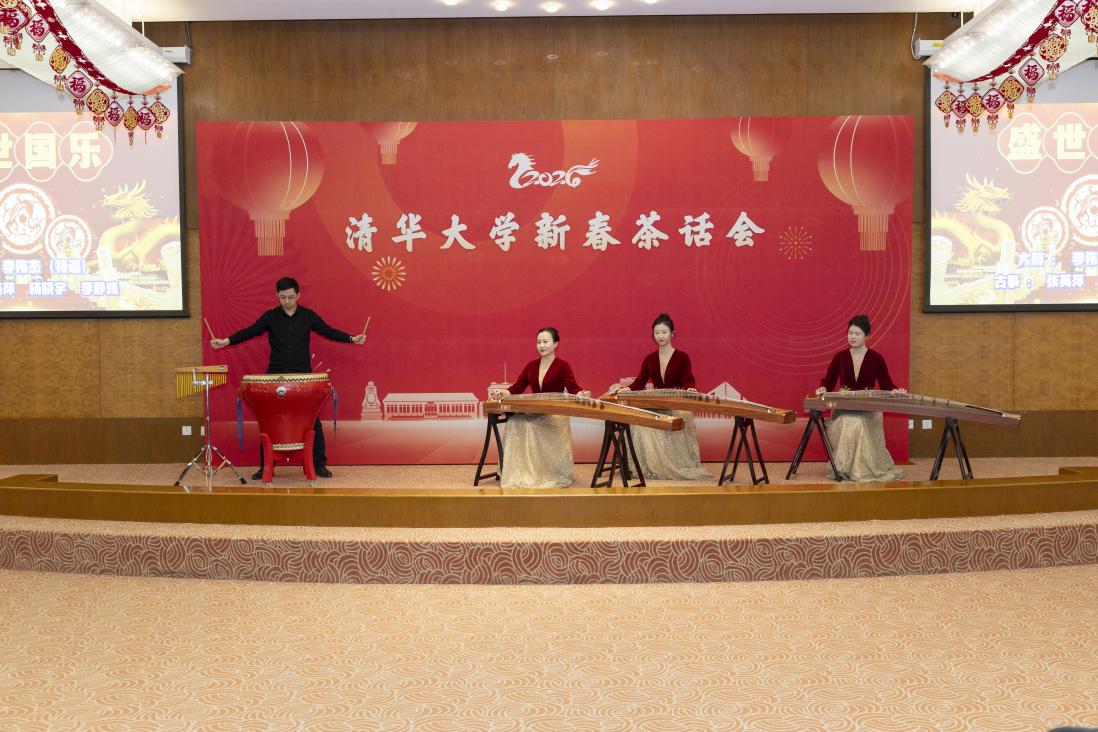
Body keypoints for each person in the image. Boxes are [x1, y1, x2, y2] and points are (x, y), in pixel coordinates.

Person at [210, 277, 366, 479]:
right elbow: (250, 331)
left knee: (312, 421)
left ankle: (319, 464)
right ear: (277, 295)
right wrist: (226, 341)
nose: (287, 301)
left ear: (298, 295)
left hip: (302, 376)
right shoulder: (270, 317)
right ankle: (265, 466)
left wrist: (351, 339)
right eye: (283, 297)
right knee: (268, 421)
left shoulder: (308, 316)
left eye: (291, 297)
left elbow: (328, 331)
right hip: (276, 375)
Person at [614, 313, 710, 481]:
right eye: (657, 332)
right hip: (658, 402)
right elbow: (639, 382)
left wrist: (691, 388)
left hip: (676, 401)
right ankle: (650, 465)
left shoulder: (682, 357)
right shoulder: (650, 359)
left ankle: (674, 465)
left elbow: (688, 379)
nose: (660, 336)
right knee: (640, 420)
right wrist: (626, 389)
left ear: (672, 333)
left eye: (664, 332)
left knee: (678, 416)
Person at [493, 327, 590, 489]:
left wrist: (581, 393)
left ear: (556, 343)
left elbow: (573, 387)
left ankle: (543, 473)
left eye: (545, 341)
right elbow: (518, 387)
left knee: (527, 425)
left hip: (555, 414)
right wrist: (503, 392)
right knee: (514, 422)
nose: (541, 345)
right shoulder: (531, 366)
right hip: (536, 411)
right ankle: (523, 472)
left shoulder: (563, 365)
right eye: (538, 342)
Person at [814, 314, 903, 482]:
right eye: (850, 333)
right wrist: (823, 388)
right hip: (843, 409)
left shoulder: (876, 358)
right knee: (852, 422)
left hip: (868, 410)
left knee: (858, 422)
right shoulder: (840, 357)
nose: (852, 337)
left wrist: (895, 391)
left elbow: (887, 384)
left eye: (857, 333)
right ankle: (844, 468)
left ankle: (857, 469)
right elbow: (828, 381)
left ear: (867, 336)